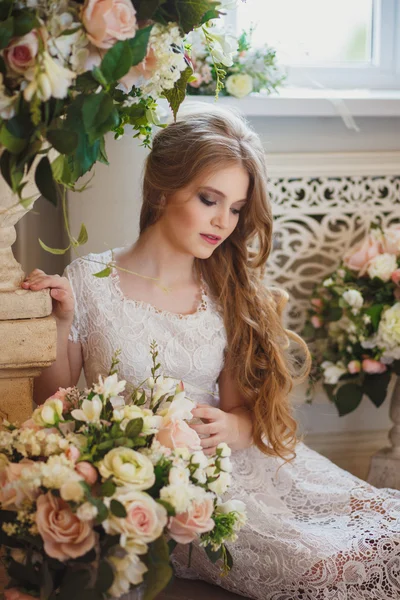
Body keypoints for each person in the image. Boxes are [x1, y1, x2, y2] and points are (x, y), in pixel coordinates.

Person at [25, 105, 400, 599]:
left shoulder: (226, 291)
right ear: (163, 189)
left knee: (388, 528)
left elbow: (247, 416)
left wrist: (232, 427)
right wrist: (63, 322)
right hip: (186, 496)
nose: (224, 222)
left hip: (253, 466)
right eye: (210, 200)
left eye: (237, 207)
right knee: (324, 564)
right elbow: (55, 404)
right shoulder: (89, 282)